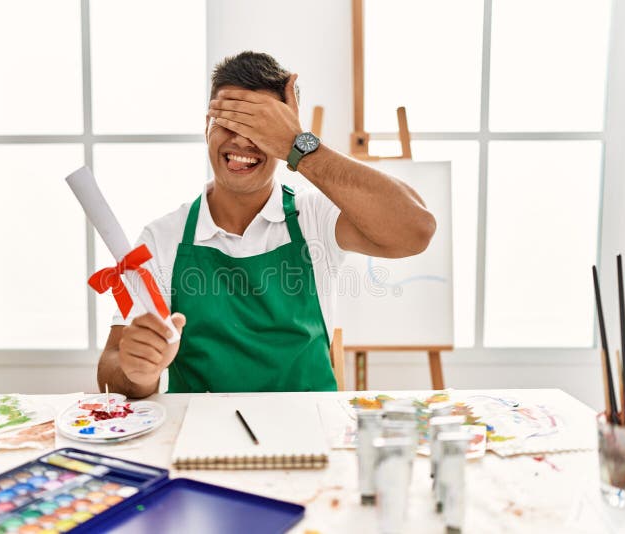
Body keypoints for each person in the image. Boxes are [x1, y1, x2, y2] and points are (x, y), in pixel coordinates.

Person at [98, 51, 435, 397]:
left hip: (310, 434)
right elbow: (111, 369)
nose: (242, 141)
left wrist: (301, 147)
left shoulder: (314, 217)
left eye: (259, 127)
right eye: (229, 121)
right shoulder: (161, 238)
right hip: (199, 439)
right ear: (206, 127)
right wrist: (138, 371)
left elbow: (416, 230)